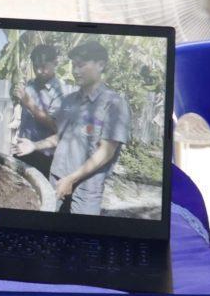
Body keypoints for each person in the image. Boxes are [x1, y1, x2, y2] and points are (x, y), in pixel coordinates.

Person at [13, 37, 126, 215]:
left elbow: (106, 152)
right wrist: (34, 145)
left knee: (78, 229)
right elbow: (61, 136)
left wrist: (72, 179)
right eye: (73, 65)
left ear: (101, 65)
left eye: (81, 65)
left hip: (86, 188)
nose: (75, 71)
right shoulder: (69, 101)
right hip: (56, 178)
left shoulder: (114, 104)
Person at [12, 40, 65, 180]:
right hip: (22, 148)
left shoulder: (59, 92)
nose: (39, 71)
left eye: (43, 66)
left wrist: (29, 103)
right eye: (36, 67)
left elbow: (55, 126)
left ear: (55, 63)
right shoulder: (29, 85)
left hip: (43, 156)